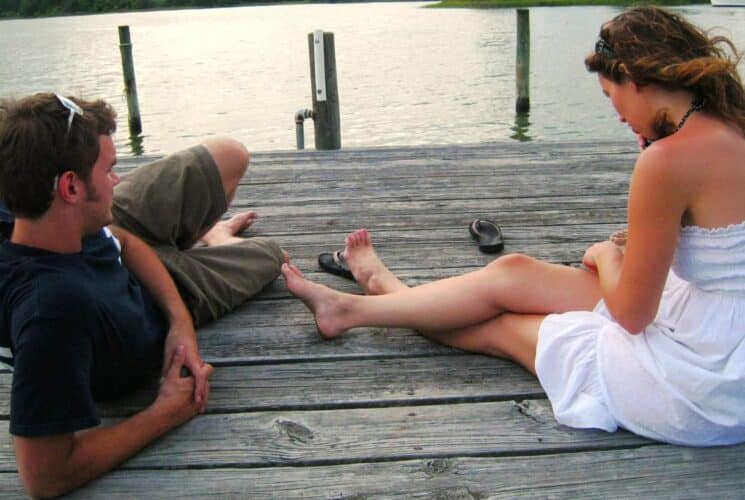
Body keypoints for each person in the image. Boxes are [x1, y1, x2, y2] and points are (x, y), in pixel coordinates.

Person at [282, 6, 745, 447]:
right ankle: (381, 293)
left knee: (502, 327)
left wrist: (608, 255)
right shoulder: (731, 122)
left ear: (636, 79)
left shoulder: (666, 162)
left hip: (705, 378)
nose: (618, 115)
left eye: (612, 96)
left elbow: (632, 315)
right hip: (712, 321)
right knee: (514, 271)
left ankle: (358, 305)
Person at [0, 92, 284, 497]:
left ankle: (198, 233)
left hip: (106, 238)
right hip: (141, 296)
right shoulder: (54, 309)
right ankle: (214, 237)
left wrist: (181, 326)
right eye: (109, 170)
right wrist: (164, 412)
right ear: (71, 186)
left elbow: (123, 242)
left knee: (229, 155)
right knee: (271, 256)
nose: (117, 178)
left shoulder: (36, 213)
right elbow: (44, 476)